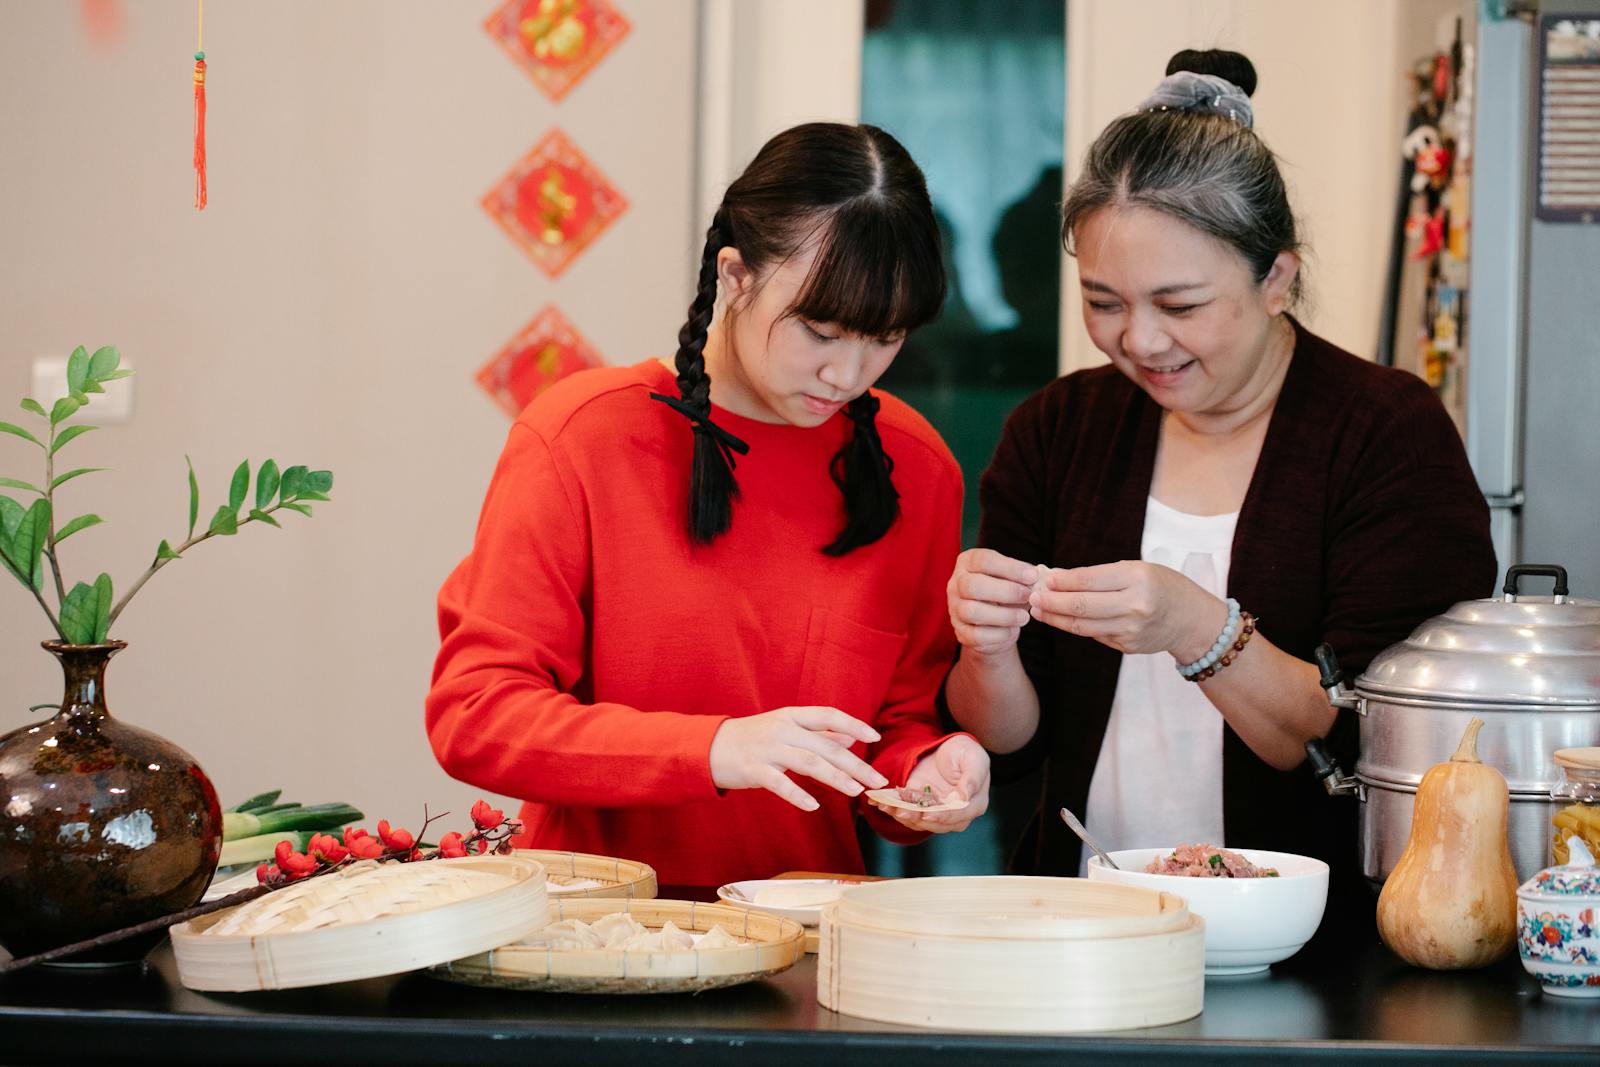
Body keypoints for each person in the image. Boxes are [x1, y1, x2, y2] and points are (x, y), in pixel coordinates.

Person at [941, 50, 1495, 918]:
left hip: (1314, 944)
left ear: (1278, 276)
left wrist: (1196, 625)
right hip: (1082, 922)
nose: (1141, 341)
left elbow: (1370, 735)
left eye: (1181, 304)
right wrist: (987, 643)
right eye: (1105, 302)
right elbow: (1008, 740)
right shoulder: (1058, 428)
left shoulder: (1385, 431)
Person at [427, 123, 991, 888]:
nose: (846, 372)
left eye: (884, 339)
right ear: (734, 275)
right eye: (819, 331)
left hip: (805, 955)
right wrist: (714, 749)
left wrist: (930, 767)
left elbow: (893, 734)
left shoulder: (915, 469)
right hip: (590, 942)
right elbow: (476, 715)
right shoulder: (582, 437)